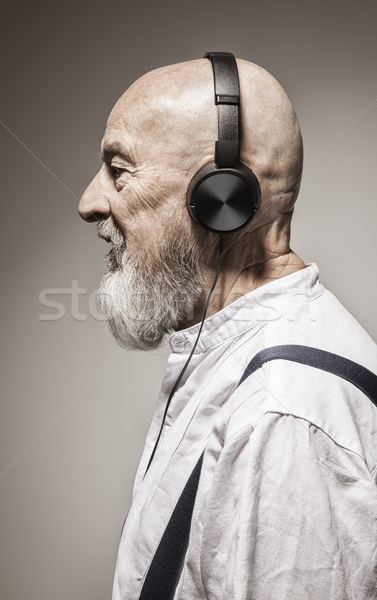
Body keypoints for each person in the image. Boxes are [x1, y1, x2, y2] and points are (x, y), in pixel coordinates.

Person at [78, 53, 377, 600]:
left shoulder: (282, 414)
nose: (89, 202)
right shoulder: (236, 357)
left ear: (221, 197)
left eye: (119, 170)